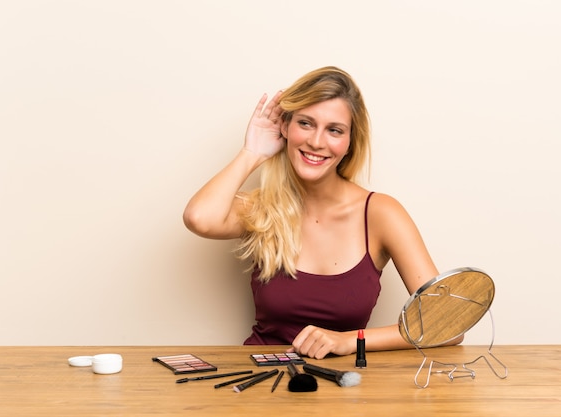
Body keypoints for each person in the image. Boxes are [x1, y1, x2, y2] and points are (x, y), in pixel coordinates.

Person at [183, 66, 454, 359]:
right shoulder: (263, 208)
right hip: (259, 381)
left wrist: (350, 341)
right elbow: (199, 218)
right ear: (285, 127)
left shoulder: (380, 213)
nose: (316, 142)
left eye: (334, 130)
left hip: (345, 389)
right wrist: (253, 152)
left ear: (350, 142)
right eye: (306, 123)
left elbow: (449, 324)